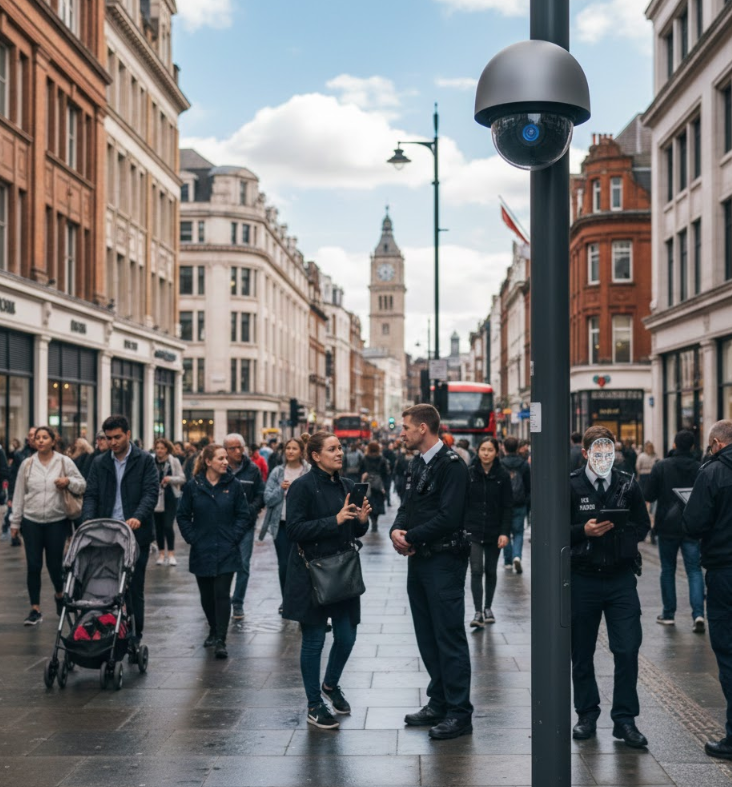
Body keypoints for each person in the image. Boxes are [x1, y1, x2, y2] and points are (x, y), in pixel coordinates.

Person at [391, 404, 473, 740]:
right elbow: (407, 506)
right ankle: (438, 701)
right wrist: (397, 530)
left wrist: (409, 536)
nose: (402, 433)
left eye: (406, 427)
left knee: (448, 636)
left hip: (444, 561)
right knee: (427, 635)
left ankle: (459, 712)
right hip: (420, 560)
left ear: (423, 428)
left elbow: (449, 517)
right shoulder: (416, 463)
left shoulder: (452, 465)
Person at [283, 431, 371, 730]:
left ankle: (330, 685)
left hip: (343, 572)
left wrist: (360, 522)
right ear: (316, 456)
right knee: (314, 640)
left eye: (340, 448)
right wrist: (333, 521)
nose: (339, 453)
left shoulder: (348, 485)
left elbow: (355, 531)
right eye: (332, 449)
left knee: (347, 637)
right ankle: (314, 704)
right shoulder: (301, 487)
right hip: (312, 572)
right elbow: (293, 530)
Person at [570, 425, 650, 749]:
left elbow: (643, 524)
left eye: (609, 452)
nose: (605, 457)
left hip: (619, 579)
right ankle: (587, 714)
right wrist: (583, 531)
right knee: (582, 652)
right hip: (583, 578)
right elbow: (552, 527)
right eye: (599, 452)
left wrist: (622, 536)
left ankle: (625, 720)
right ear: (587, 453)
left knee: (628, 648)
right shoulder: (571, 484)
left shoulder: (627, 483)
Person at [81, 415, 158, 648]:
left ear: (127, 434)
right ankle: (107, 627)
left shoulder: (144, 460)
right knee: (103, 585)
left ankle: (135, 634)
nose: (112, 442)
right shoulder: (100, 462)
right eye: (108, 438)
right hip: (105, 534)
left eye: (117, 437)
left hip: (135, 535)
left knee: (134, 588)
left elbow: (150, 493)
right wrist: (88, 522)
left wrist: (138, 517)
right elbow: (91, 495)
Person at [682, 420, 732, 760]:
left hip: (724, 569)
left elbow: (694, 522)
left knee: (728, 652)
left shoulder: (713, 472)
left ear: (715, 443)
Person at [177, 444, 250, 659]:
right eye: (221, 458)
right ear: (208, 461)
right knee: (207, 596)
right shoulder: (194, 486)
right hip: (202, 548)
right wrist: (192, 538)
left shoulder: (233, 485)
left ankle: (221, 639)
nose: (226, 462)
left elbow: (243, 515)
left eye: (226, 458)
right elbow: (182, 515)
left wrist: (233, 537)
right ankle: (212, 628)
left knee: (221, 594)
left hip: (226, 549)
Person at [10, 426, 86, 625]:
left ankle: (60, 595)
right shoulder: (27, 464)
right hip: (32, 520)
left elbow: (82, 484)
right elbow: (19, 494)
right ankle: (35, 609)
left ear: (53, 441)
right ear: (33, 442)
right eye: (37, 438)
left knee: (54, 565)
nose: (41, 440)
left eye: (45, 437)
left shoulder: (64, 461)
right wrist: (15, 522)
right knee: (33, 565)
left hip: (57, 520)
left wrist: (68, 480)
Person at [644, 430, 702, 630]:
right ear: (693, 447)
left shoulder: (662, 466)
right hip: (692, 526)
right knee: (694, 571)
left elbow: (649, 494)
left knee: (667, 570)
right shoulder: (699, 467)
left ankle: (668, 613)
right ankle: (699, 615)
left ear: (675, 445)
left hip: (667, 526)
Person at [466, 437, 513, 627]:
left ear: (496, 452)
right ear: (478, 451)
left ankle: (488, 607)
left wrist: (505, 532)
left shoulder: (502, 475)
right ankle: (478, 611)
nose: (486, 453)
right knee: (476, 570)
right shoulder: (469, 473)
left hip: (494, 530)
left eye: (490, 450)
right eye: (483, 449)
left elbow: (507, 506)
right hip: (473, 530)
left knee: (491, 570)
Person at [262, 437, 310, 614]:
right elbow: (267, 498)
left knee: (303, 564)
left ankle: (302, 599)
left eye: (294, 448)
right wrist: (280, 489)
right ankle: (287, 600)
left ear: (301, 451)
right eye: (287, 448)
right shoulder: (277, 472)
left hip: (303, 525)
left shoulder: (308, 471)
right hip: (282, 524)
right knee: (284, 565)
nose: (290, 451)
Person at [223, 433, 263, 621]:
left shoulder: (252, 469)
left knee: (243, 564)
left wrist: (250, 511)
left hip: (246, 525)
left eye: (240, 447)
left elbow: (260, 495)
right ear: (226, 451)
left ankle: (237, 602)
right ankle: (222, 600)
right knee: (223, 564)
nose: (238, 451)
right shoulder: (221, 469)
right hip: (224, 525)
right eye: (233, 448)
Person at [152, 438, 186, 566]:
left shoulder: (174, 461)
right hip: (156, 498)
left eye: (162, 448)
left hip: (170, 497)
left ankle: (171, 553)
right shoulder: (152, 461)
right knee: (158, 527)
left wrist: (169, 479)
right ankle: (161, 554)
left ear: (167, 449)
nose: (159, 450)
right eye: (158, 448)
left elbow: (182, 478)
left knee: (168, 525)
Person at [501, 436, 531, 574]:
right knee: (518, 532)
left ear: (504, 447)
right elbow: (528, 485)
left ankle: (507, 561)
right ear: (518, 447)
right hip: (520, 503)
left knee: (505, 531)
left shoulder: (501, 464)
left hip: (504, 503)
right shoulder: (524, 464)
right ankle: (517, 556)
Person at [4, 426, 36, 545]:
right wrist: (11, 496)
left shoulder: (48, 455)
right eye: (30, 435)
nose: (32, 437)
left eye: (34, 434)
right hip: (23, 494)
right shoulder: (20, 455)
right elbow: (13, 477)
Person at [361, 441, 389, 532]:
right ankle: (375, 520)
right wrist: (384, 487)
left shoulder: (365, 458)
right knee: (377, 503)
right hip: (378, 484)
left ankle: (372, 520)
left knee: (369, 503)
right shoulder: (382, 459)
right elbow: (386, 474)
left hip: (368, 484)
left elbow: (360, 471)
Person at [382, 441, 397, 505]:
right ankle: (388, 500)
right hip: (389, 473)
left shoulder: (383, 453)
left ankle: (385, 498)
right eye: (391, 446)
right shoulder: (392, 454)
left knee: (385, 487)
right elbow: (394, 464)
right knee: (387, 487)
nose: (392, 447)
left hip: (383, 473)